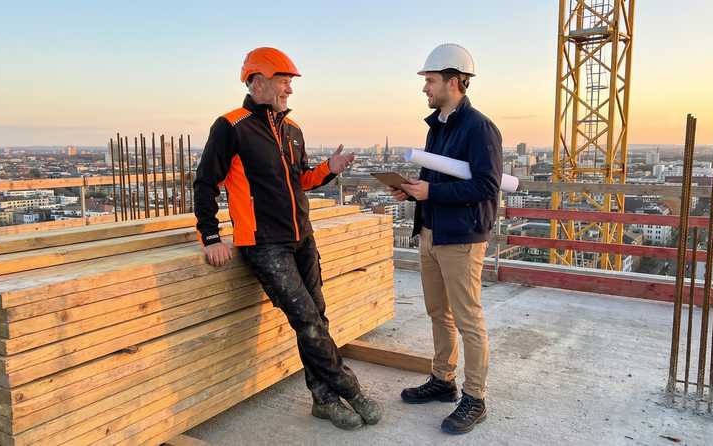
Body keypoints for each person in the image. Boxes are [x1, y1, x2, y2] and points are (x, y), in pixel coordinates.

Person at [193, 47, 382, 431]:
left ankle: (324, 399)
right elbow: (205, 183)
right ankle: (351, 389)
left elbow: (302, 180)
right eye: (284, 81)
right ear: (257, 80)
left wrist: (331, 169)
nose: (289, 91)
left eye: (290, 83)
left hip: (302, 239)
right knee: (307, 320)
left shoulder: (293, 131)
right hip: (264, 244)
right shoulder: (231, 127)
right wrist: (211, 236)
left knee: (317, 318)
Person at [391, 43, 502, 435]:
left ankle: (476, 397)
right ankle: (443, 380)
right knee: (439, 311)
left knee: (468, 318)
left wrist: (431, 193)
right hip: (432, 232)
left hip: (461, 237)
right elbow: (440, 179)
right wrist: (412, 190)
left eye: (430, 81)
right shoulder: (437, 126)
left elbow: (487, 186)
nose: (425, 88)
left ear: (455, 82)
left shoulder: (480, 128)